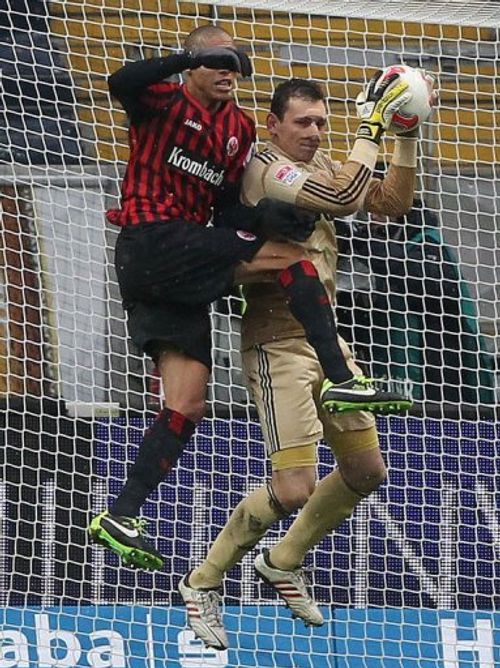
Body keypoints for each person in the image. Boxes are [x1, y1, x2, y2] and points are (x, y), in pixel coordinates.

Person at [88, 28, 414, 571]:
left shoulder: (236, 129)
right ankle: (345, 379)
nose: (228, 72)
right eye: (217, 62)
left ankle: (120, 513)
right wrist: (187, 56)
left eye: (236, 65)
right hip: (154, 239)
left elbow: (225, 208)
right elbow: (120, 80)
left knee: (187, 403)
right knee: (288, 259)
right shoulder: (162, 100)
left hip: (185, 264)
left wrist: (257, 220)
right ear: (192, 64)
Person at [178, 75, 436, 650]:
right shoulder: (265, 170)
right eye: (305, 123)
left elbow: (390, 205)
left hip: (328, 341)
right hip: (276, 343)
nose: (316, 133)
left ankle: (283, 560)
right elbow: (346, 200)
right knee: (293, 488)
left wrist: (405, 136)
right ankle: (202, 581)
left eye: (323, 123)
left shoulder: (319, 172)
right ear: (273, 126)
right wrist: (370, 126)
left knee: (367, 471)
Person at [340, 198, 496, 406]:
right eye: (368, 209)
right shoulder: (383, 245)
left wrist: (363, 242)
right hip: (406, 367)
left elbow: (421, 280)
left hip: (440, 373)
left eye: (379, 207)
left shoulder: (428, 243)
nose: (372, 215)